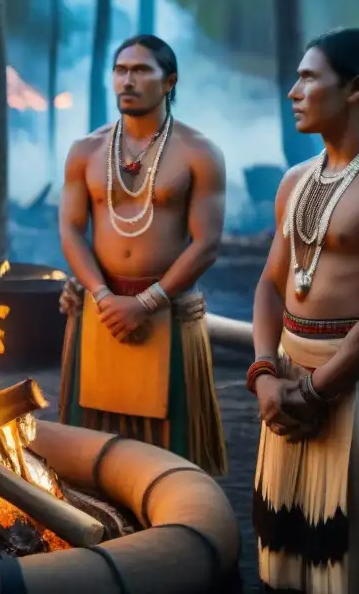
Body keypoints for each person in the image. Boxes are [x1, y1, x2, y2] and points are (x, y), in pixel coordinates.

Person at [248, 28, 359, 592]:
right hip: (290, 385)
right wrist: (264, 378)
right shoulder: (295, 180)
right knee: (292, 545)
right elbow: (271, 287)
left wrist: (318, 390)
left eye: (308, 77)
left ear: (356, 88)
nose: (293, 90)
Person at [57, 34, 227, 475]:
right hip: (101, 310)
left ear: (169, 81)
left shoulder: (199, 152)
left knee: (172, 456)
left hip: (166, 311)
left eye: (141, 70)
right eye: (120, 70)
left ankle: (173, 527)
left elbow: (206, 243)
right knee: (91, 451)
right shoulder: (86, 150)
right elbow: (71, 230)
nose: (127, 80)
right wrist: (102, 296)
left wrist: (148, 302)